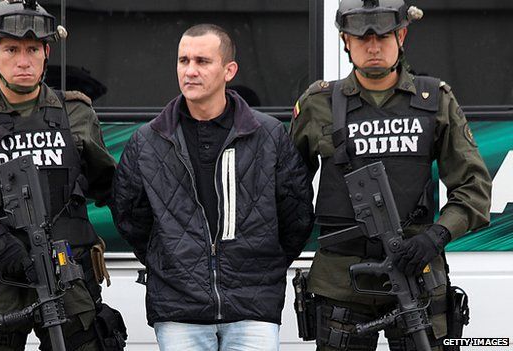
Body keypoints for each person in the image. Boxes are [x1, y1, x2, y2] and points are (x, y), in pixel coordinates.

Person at [0, 0, 124, 349]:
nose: (23, 60)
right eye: (11, 49)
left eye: (32, 49)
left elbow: (114, 188)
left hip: (67, 276)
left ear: (46, 53)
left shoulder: (75, 112)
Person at [290, 0, 492, 350]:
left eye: (383, 36)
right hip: (341, 280)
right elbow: (286, 189)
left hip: (416, 274)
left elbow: (473, 187)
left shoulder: (435, 101)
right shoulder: (317, 103)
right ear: (345, 41)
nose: (372, 46)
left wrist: (436, 236)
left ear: (402, 35)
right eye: (361, 37)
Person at [112, 23, 314, 351]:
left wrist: (263, 267)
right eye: (183, 61)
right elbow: (129, 217)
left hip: (253, 307)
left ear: (228, 70)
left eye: (202, 61)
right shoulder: (147, 141)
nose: (190, 70)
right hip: (179, 309)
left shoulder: (269, 135)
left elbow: (297, 215)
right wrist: (170, 263)